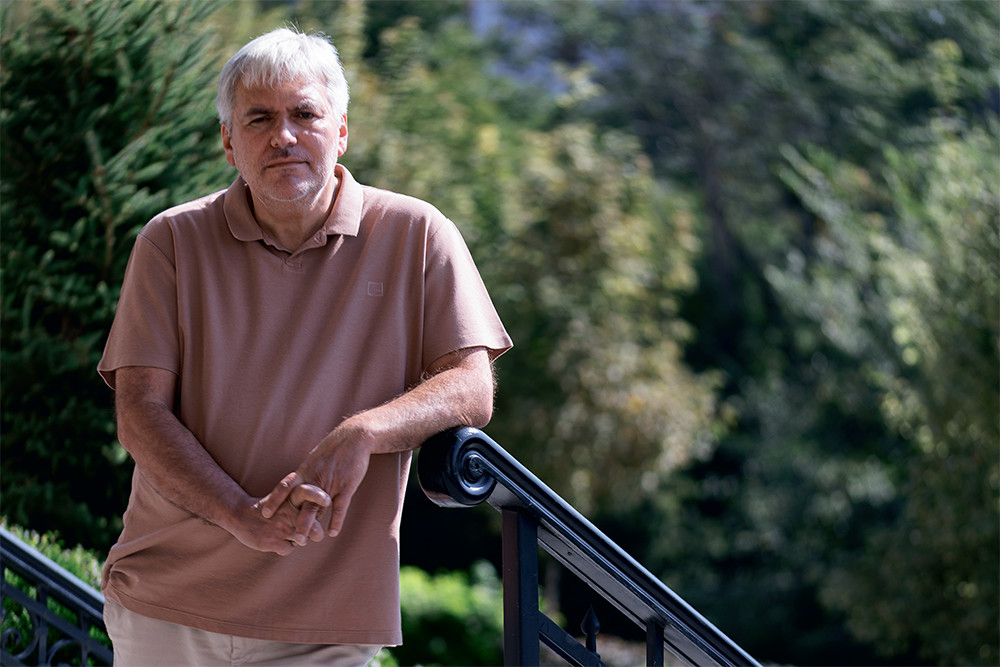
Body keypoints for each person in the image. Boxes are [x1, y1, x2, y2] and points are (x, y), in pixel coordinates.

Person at [97, 27, 512, 666]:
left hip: (328, 622)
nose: (283, 136)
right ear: (229, 142)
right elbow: (140, 413)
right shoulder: (170, 241)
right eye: (259, 119)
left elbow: (471, 386)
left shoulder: (418, 234)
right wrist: (240, 514)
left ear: (340, 131)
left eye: (305, 114)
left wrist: (363, 432)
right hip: (169, 603)